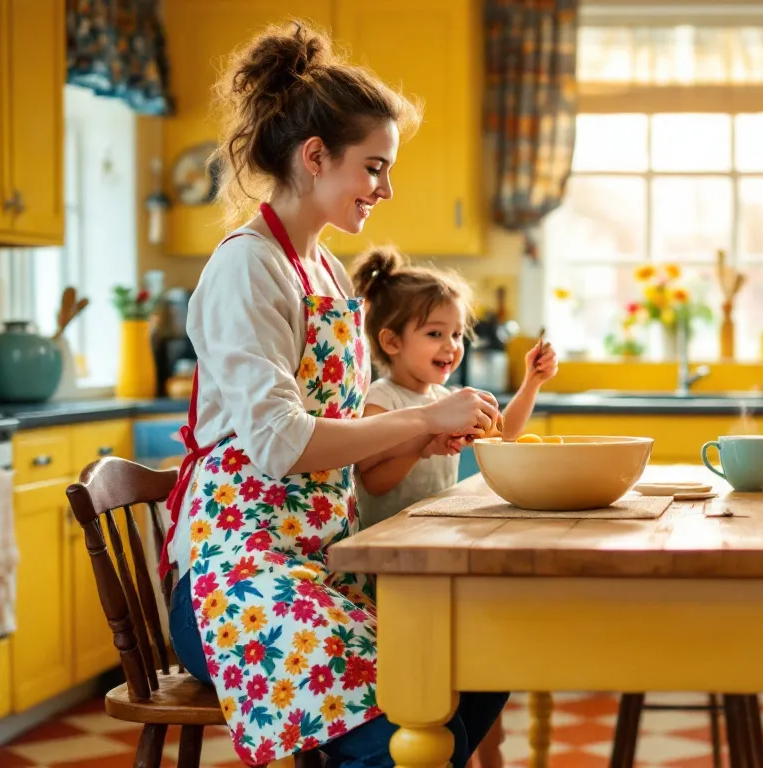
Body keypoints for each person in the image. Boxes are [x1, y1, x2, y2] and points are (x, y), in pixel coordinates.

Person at [157, 21, 508, 768]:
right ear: (315, 157)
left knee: (480, 661)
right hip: (236, 576)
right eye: (374, 167)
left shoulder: (322, 272)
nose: (385, 189)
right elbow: (282, 444)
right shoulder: (248, 269)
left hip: (321, 559)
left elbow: (342, 436)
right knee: (400, 727)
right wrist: (420, 414)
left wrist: (415, 433)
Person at [350, 247, 558, 528]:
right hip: (384, 542)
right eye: (435, 333)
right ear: (392, 342)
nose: (452, 345)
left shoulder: (445, 399)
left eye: (457, 334)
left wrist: (532, 381)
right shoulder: (381, 399)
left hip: (430, 531)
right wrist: (424, 443)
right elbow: (374, 482)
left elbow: (504, 433)